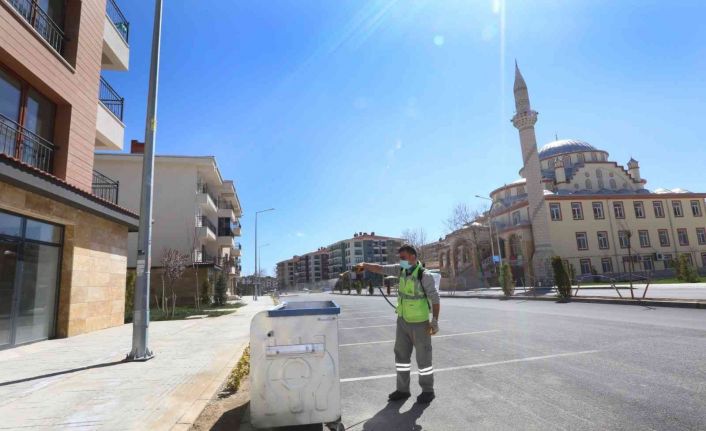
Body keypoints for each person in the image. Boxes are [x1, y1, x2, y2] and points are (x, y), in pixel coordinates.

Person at [355, 244, 440, 404]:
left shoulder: (424, 275)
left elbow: (435, 299)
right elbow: (380, 268)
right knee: (401, 357)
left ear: (413, 257)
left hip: (420, 323)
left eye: (403, 258)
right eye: (400, 258)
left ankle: (428, 390)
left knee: (424, 359)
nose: (401, 261)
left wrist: (434, 320)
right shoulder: (401, 269)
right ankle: (402, 390)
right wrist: (365, 265)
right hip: (402, 321)